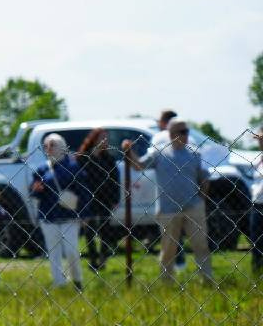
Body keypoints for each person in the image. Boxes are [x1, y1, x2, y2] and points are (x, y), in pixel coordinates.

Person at [122, 119, 213, 283]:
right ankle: (167, 282)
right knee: (169, 249)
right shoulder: (159, 153)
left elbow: (204, 178)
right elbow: (139, 166)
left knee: (201, 245)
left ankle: (207, 279)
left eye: (187, 131)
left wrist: (201, 199)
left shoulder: (194, 154)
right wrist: (129, 151)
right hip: (168, 209)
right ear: (171, 134)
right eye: (182, 132)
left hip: (193, 207)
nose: (186, 135)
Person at [30, 133, 85, 289]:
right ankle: (59, 282)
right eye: (46, 145)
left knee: (71, 250)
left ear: (62, 146)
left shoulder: (73, 166)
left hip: (70, 216)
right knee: (53, 252)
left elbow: (83, 192)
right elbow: (33, 192)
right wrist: (36, 190)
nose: (49, 148)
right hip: (48, 216)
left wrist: (84, 213)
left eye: (53, 144)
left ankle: (77, 280)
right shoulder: (41, 169)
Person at [75, 129, 122, 272]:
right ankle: (92, 257)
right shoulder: (83, 158)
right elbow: (77, 179)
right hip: (88, 198)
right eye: (102, 138)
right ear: (94, 139)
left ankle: (102, 259)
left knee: (105, 230)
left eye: (106, 139)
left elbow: (116, 180)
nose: (105, 141)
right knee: (89, 229)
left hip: (105, 198)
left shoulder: (109, 158)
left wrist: (116, 198)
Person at [249, 128, 263, 275]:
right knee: (256, 242)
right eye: (259, 139)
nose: (260, 142)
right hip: (257, 205)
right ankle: (257, 273)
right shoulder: (258, 160)